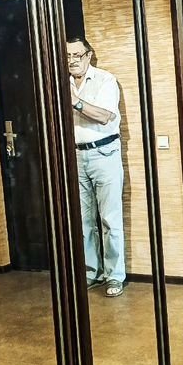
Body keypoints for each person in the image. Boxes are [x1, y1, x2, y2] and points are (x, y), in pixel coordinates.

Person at [67, 36, 126, 297]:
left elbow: (104, 116)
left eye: (77, 55)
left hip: (105, 153)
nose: (72, 61)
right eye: (68, 56)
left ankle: (115, 276)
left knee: (109, 219)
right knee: (83, 220)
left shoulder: (105, 80)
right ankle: (92, 273)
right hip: (76, 156)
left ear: (88, 55)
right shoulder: (62, 83)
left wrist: (75, 101)